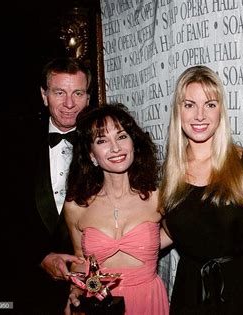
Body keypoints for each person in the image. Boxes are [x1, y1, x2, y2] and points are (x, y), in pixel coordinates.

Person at [159, 65, 243, 314]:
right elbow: (164, 234)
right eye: (189, 105)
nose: (200, 115)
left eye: (210, 104)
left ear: (221, 110)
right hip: (191, 292)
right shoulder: (167, 173)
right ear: (178, 111)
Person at [64, 103, 169, 315]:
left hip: (147, 300)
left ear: (133, 144)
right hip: (100, 306)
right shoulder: (76, 206)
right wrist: (75, 289)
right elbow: (80, 261)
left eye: (121, 137)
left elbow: (190, 228)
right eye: (102, 140)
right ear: (92, 155)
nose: (115, 148)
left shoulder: (158, 197)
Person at [15, 57, 91, 314]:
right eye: (60, 92)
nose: (70, 104)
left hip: (87, 291)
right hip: (25, 286)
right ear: (44, 95)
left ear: (88, 98)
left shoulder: (104, 145)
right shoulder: (12, 144)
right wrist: (39, 257)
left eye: (77, 93)